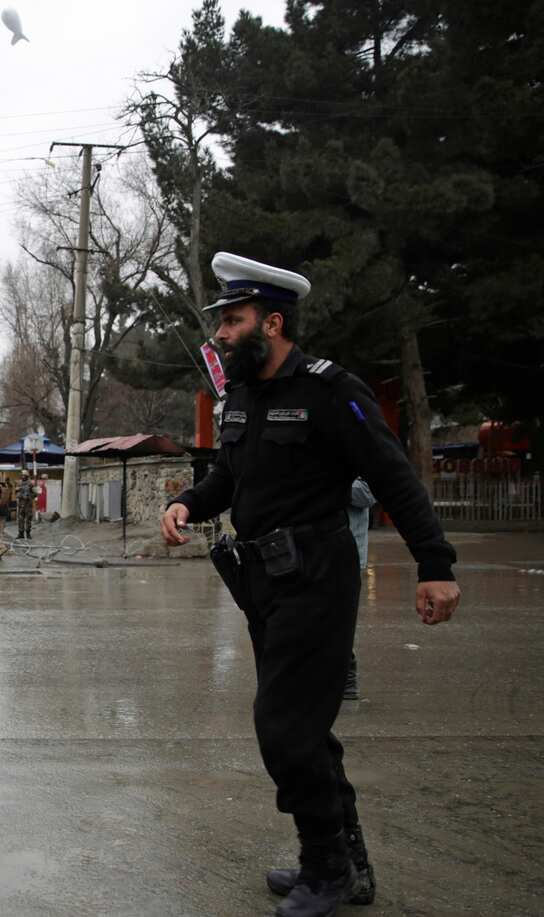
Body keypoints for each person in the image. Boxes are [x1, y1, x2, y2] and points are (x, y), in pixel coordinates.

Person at [161, 252, 460, 917]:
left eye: (233, 321)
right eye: (221, 322)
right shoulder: (242, 396)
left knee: (284, 727)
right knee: (308, 727)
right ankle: (348, 863)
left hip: (318, 578)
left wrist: (435, 565)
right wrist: (187, 502)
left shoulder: (330, 390)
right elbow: (229, 479)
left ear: (272, 323)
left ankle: (326, 868)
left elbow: (393, 477)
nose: (221, 334)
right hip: (261, 583)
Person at [344, 478, 375, 700]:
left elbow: (367, 494)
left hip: (346, 556)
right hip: (303, 552)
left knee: (338, 621)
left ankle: (346, 677)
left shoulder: (359, 458)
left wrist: (322, 480)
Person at [15, 475, 35, 540]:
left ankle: (28, 533)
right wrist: (20, 495)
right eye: (22, 475)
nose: (23, 477)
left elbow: (36, 493)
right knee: (20, 519)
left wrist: (29, 496)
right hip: (21, 505)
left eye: (24, 475)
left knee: (28, 519)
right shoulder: (19, 483)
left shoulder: (31, 484)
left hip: (28, 505)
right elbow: (16, 493)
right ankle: (21, 533)